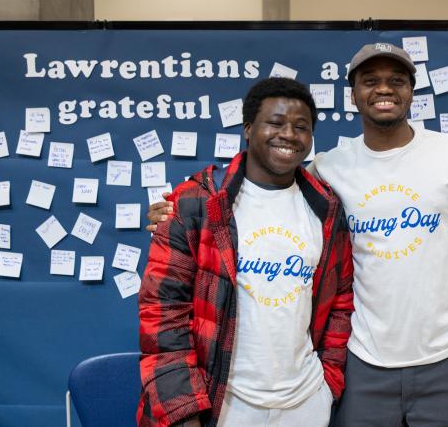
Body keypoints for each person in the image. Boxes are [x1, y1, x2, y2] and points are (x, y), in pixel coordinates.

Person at [148, 43, 448, 426]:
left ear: (411, 91)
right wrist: (171, 209)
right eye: (370, 81)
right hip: (364, 362)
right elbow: (247, 188)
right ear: (353, 95)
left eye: (396, 81)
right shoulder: (326, 171)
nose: (384, 89)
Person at [138, 77, 354, 427]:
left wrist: (328, 381)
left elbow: (342, 300)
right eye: (275, 122)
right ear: (248, 129)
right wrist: (183, 410)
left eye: (302, 127)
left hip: (306, 401)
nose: (289, 134)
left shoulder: (326, 209)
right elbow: (162, 313)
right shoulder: (199, 203)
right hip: (223, 401)